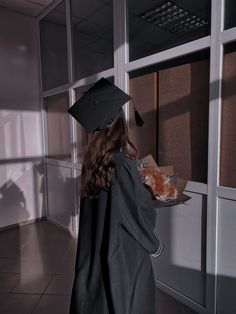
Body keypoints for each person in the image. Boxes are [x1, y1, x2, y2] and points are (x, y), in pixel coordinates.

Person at [68, 78, 163, 314]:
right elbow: (136, 212)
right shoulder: (122, 164)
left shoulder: (92, 163)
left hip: (98, 246)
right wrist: (155, 244)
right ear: (118, 124)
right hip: (123, 252)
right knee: (126, 301)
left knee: (101, 300)